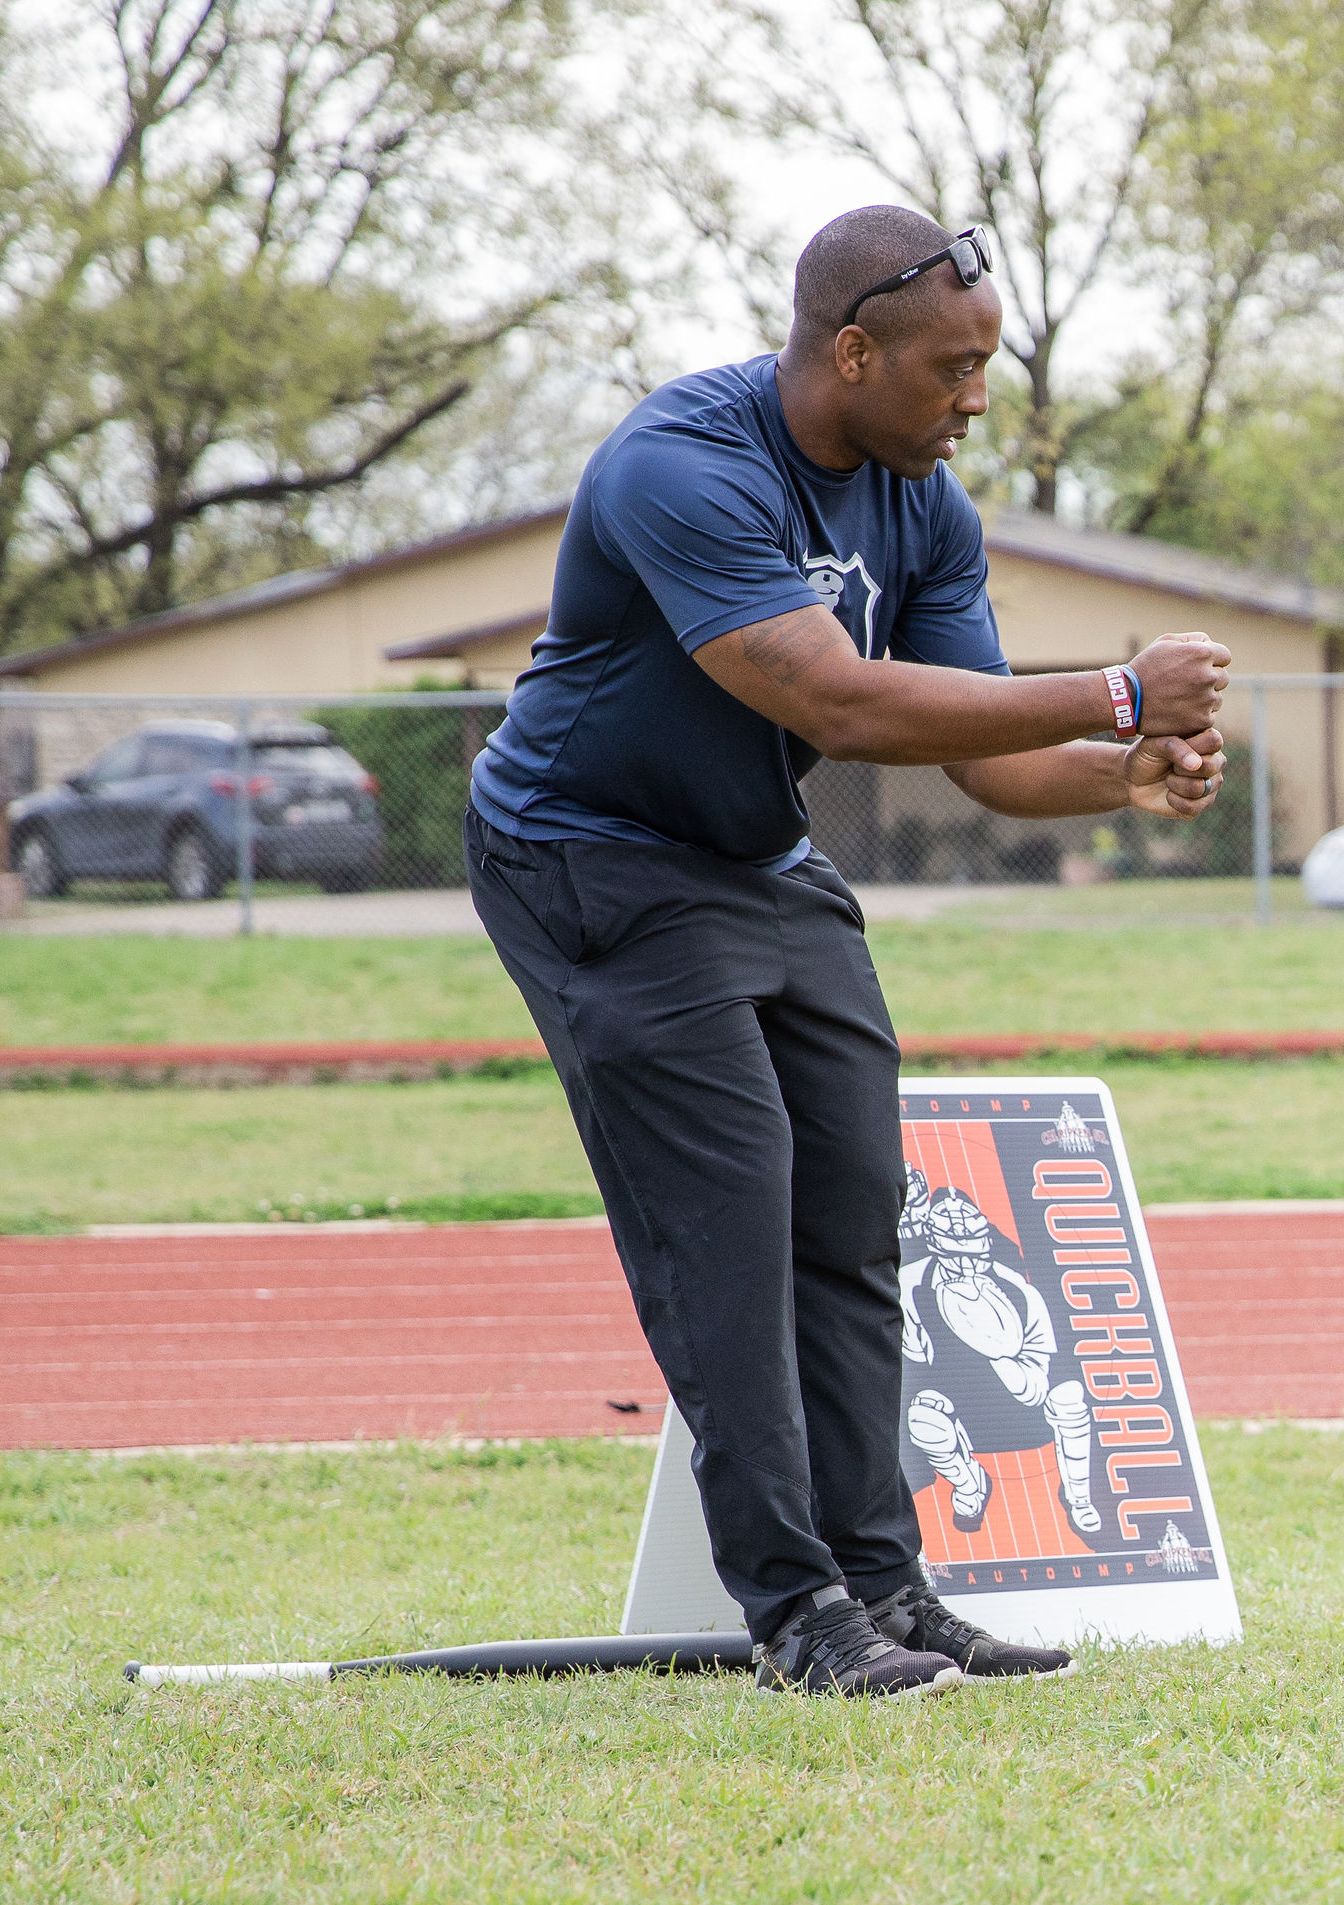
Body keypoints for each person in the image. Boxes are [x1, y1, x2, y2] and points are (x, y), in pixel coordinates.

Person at [464, 205, 1233, 1699]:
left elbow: (988, 755)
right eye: (953, 366)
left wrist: (1117, 771)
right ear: (853, 347)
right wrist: (1122, 696)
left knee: (860, 1207)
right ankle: (795, 1610)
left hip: (758, 856)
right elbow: (847, 707)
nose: (976, 398)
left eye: (986, 364)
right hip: (591, 855)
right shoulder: (679, 464)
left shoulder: (925, 502)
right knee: (731, 1219)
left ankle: (887, 1584)